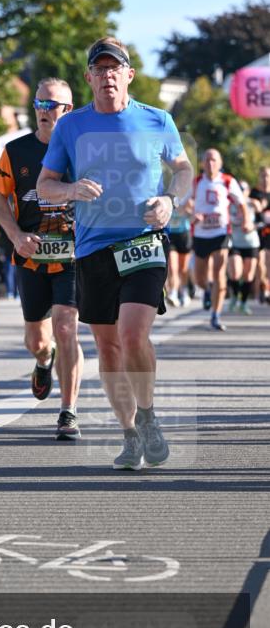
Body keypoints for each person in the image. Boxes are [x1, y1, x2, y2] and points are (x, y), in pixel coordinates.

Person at [37, 37, 193, 470]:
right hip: (93, 246)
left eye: (114, 68)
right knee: (107, 348)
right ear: (88, 77)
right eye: (99, 69)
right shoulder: (71, 126)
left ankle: (148, 416)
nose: (107, 75)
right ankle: (129, 433)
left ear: (129, 75)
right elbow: (44, 185)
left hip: (142, 241)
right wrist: (69, 190)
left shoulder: (158, 120)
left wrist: (170, 201)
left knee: (131, 335)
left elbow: (182, 169)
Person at [0, 78, 84, 438]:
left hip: (73, 256)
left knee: (65, 327)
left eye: (53, 105)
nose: (45, 111)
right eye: (40, 104)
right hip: (30, 257)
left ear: (68, 110)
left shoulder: (83, 151)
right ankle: (44, 363)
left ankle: (68, 411)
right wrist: (15, 235)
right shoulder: (15, 151)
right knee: (38, 340)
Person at [192, 148, 246, 331]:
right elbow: (182, 206)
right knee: (200, 278)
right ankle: (207, 290)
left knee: (219, 270)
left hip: (221, 232)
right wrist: (193, 216)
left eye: (214, 160)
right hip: (200, 234)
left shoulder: (228, 181)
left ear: (220, 163)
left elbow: (242, 204)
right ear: (202, 164)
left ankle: (215, 315)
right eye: (206, 160)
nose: (210, 163)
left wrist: (245, 220)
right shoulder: (196, 182)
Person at [227, 180, 260, 315]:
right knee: (235, 271)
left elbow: (261, 219)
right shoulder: (229, 204)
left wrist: (252, 225)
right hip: (234, 242)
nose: (241, 192)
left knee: (248, 275)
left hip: (251, 242)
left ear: (247, 191)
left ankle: (244, 303)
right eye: (238, 189)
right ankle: (235, 295)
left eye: (243, 189)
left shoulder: (252, 204)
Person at [165, 196, 194, 307]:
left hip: (184, 235)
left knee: (183, 268)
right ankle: (173, 293)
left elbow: (193, 218)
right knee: (173, 267)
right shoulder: (166, 195)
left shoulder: (187, 198)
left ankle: (184, 291)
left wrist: (187, 210)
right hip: (170, 235)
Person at [249, 165, 270, 303]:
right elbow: (244, 202)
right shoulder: (254, 193)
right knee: (260, 264)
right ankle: (262, 290)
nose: (265, 179)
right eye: (263, 176)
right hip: (258, 232)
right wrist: (253, 202)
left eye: (267, 176)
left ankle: (266, 290)